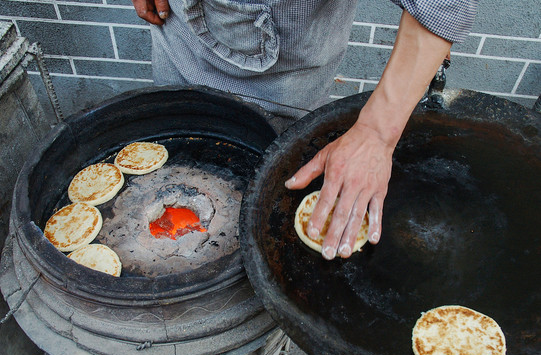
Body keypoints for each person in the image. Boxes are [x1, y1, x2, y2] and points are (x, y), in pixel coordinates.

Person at [132, 0, 478, 260]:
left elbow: (443, 4)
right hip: (177, 35)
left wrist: (376, 133)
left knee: (266, 226)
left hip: (282, 75)